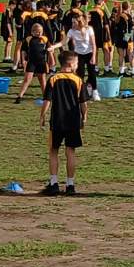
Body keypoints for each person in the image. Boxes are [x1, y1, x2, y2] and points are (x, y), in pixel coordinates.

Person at [39, 50, 89, 195]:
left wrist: (42, 115)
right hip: (73, 121)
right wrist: (84, 116)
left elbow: (47, 101)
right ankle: (70, 185)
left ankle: (54, 183)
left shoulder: (53, 79)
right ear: (71, 64)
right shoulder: (78, 80)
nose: (77, 65)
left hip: (57, 121)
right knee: (70, 151)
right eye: (77, 63)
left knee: (53, 150)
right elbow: (83, 103)